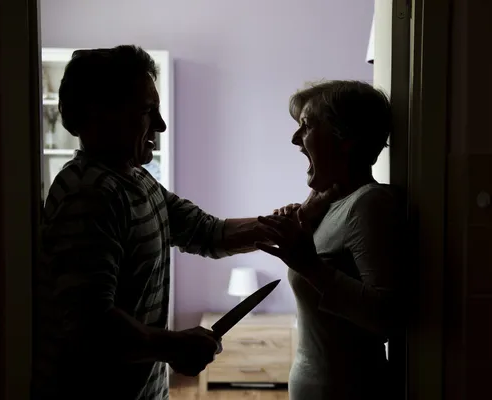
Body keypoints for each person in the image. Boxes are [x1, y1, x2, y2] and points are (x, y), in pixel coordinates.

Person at [31, 45, 331, 400]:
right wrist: (173, 345)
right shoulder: (89, 194)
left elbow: (208, 232)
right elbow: (90, 326)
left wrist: (302, 215)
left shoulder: (137, 181)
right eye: (147, 111)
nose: (160, 124)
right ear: (100, 113)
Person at [255, 80, 406, 399]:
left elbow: (389, 317)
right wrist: (304, 219)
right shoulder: (327, 207)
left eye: (307, 126)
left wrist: (308, 264)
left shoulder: (370, 204)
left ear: (346, 138)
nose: (296, 138)